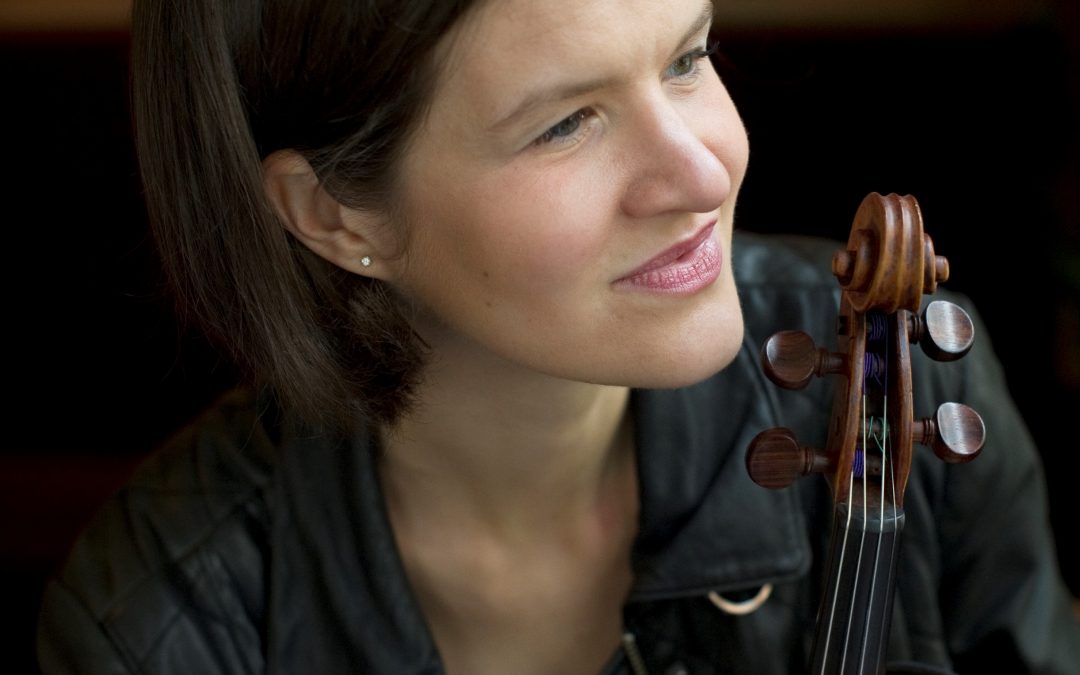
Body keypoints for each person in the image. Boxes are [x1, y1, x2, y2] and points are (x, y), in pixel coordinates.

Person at [35, 0, 1080, 673]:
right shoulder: (158, 624)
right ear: (338, 216)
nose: (705, 175)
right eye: (566, 122)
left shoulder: (914, 383)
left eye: (686, 58)